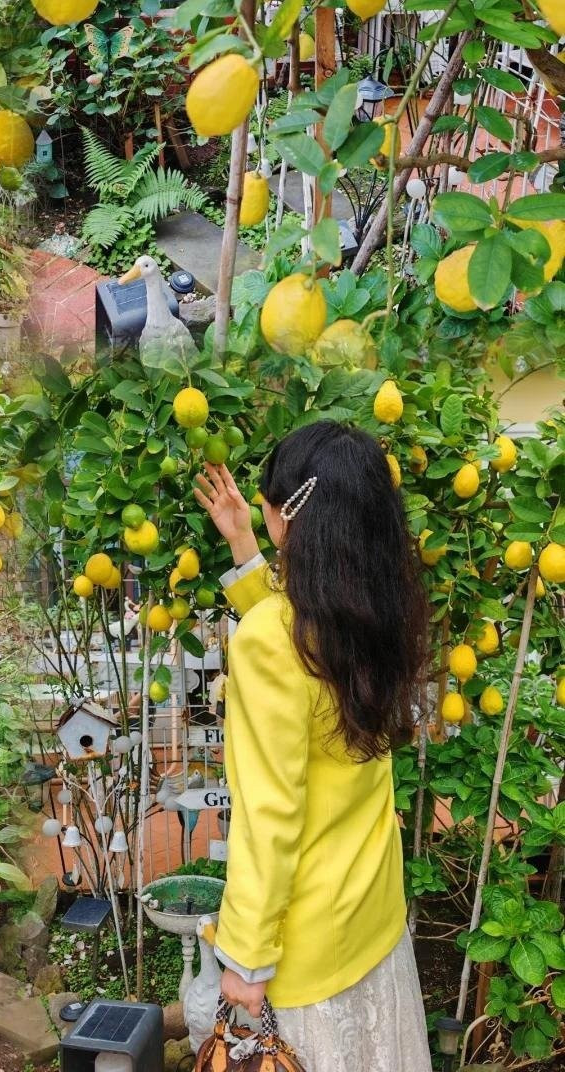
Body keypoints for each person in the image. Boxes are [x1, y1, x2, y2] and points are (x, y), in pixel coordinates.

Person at [193, 420, 432, 1072]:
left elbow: (269, 818)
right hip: (371, 916)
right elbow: (298, 645)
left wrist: (245, 959)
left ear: (288, 513)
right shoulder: (375, 607)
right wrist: (246, 547)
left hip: (304, 949)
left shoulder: (275, 636)